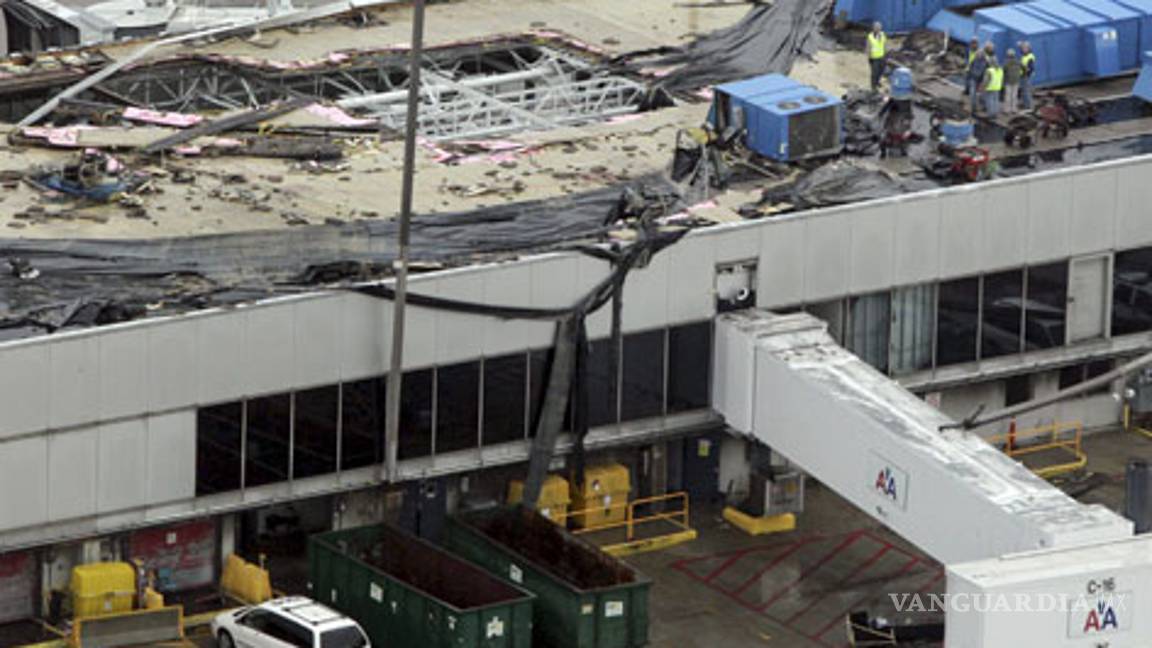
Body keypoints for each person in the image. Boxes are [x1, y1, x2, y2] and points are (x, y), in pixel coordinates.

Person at [967, 42, 989, 114]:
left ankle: (984, 105)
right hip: (974, 78)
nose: (979, 55)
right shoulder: (974, 60)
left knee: (982, 94)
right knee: (972, 93)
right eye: (978, 54)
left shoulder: (985, 61)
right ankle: (974, 107)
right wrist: (969, 75)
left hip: (981, 80)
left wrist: (984, 80)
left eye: (980, 54)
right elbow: (970, 67)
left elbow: (987, 71)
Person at [867, 22, 888, 92]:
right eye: (877, 27)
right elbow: (868, 47)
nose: (878, 29)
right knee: (874, 73)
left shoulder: (882, 35)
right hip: (874, 58)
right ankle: (873, 87)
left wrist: (885, 54)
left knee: (881, 71)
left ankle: (877, 81)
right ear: (873, 28)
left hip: (882, 57)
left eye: (879, 27)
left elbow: (884, 44)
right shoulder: (870, 36)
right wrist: (869, 57)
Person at [1003, 49, 1022, 114]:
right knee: (1014, 95)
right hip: (1016, 80)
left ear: (1008, 55)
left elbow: (1003, 71)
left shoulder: (1006, 63)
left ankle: (1007, 110)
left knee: (1008, 95)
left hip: (1008, 80)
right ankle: (1014, 109)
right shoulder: (1018, 62)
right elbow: (1024, 68)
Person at [1020, 41, 1036, 110]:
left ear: (1028, 48)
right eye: (1022, 48)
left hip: (1026, 76)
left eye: (1024, 48)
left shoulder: (1030, 57)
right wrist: (1020, 44)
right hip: (1023, 76)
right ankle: (1025, 105)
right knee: (1024, 91)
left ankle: (1029, 106)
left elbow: (1031, 68)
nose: (1023, 49)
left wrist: (1025, 71)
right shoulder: (1025, 55)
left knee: (1026, 92)